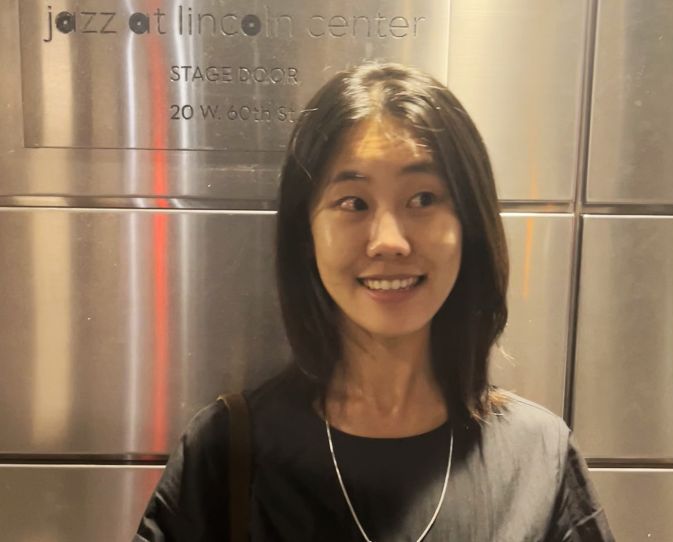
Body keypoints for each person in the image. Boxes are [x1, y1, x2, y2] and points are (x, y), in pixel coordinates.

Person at [134, 62, 614, 541]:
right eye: (354, 203)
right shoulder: (225, 453)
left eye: (423, 199)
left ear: (469, 224)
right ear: (307, 234)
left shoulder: (538, 458)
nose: (390, 241)